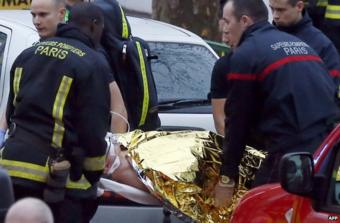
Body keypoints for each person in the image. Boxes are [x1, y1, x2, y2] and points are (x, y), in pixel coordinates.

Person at [213, 0, 338, 208]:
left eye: (227, 21)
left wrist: (227, 179)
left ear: (244, 21)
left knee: (255, 207)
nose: (224, 28)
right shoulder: (300, 44)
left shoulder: (246, 55)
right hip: (326, 152)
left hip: (291, 155)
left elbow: (237, 122)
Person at [0, 3, 110, 222]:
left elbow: (12, 111)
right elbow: (92, 129)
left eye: (41, 14)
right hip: (55, 177)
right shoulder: (92, 63)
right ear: (95, 27)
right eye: (34, 15)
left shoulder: (27, 55)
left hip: (11, 168)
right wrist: (94, 173)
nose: (36, 20)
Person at [269, 0, 340, 85]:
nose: (275, 16)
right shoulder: (264, 39)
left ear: (299, 6)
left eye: (281, 10)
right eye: (272, 9)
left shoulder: (322, 44)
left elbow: (334, 86)